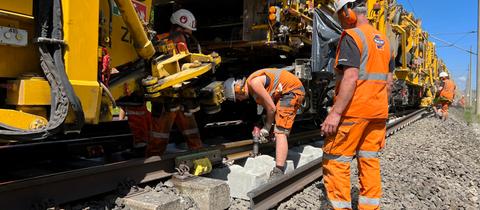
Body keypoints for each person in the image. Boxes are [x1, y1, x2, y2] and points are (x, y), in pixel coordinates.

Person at [321, 0, 393, 209]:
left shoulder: (353, 36)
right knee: (369, 160)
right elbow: (388, 84)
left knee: (336, 160)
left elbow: (350, 77)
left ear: (348, 10)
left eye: (340, 15)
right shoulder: (384, 41)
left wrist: (335, 113)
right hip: (377, 113)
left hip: (354, 112)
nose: (341, 21)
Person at [224, 67, 305, 180]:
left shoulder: (254, 83)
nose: (240, 100)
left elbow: (271, 109)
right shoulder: (254, 90)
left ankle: (279, 170)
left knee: (280, 132)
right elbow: (268, 108)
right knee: (276, 128)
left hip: (291, 91)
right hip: (284, 92)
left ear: (239, 89)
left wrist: (267, 127)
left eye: (237, 97)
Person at [146, 9, 203, 156]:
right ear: (178, 27)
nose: (187, 37)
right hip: (166, 97)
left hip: (181, 95)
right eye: (186, 32)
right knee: (159, 135)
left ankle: (198, 155)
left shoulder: (187, 44)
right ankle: (153, 162)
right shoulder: (159, 42)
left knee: (191, 132)